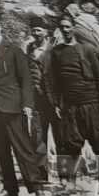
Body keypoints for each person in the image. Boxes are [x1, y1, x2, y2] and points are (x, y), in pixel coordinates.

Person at [0, 15, 47, 196]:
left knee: (23, 149)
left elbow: (26, 80)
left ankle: (36, 187)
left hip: (12, 108)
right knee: (2, 150)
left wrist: (28, 105)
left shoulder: (13, 50)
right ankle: (10, 188)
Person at [45, 17, 99, 194]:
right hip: (70, 106)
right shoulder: (56, 52)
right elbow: (52, 80)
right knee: (71, 144)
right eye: (62, 27)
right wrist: (56, 103)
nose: (65, 30)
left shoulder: (88, 50)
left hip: (91, 103)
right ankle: (71, 184)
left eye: (68, 27)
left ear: (74, 28)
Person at [24, 16, 56, 181]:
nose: (36, 33)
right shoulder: (29, 49)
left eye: (39, 30)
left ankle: (67, 176)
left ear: (46, 32)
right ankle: (41, 174)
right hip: (37, 101)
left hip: (56, 102)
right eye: (34, 30)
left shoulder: (55, 49)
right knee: (37, 136)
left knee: (62, 138)